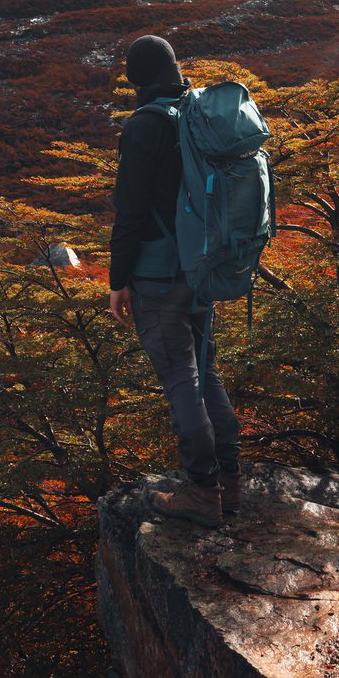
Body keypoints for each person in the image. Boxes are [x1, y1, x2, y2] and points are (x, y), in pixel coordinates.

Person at [109, 34, 241, 528]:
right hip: (202, 267)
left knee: (182, 379)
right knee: (206, 372)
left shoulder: (145, 126)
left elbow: (130, 211)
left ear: (135, 78)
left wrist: (118, 279)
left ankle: (202, 491)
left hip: (158, 272)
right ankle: (230, 483)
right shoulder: (196, 113)